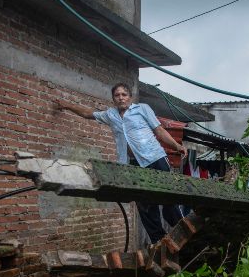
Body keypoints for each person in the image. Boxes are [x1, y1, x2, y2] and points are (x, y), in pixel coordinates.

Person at [54, 83, 187, 244]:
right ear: (113, 99)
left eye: (124, 94)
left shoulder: (143, 109)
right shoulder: (110, 115)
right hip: (133, 165)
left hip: (156, 158)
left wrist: (177, 146)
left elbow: (159, 131)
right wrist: (67, 105)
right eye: (117, 95)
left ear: (130, 97)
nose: (121, 97)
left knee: (169, 199)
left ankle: (185, 234)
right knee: (145, 205)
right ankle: (159, 241)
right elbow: (88, 113)